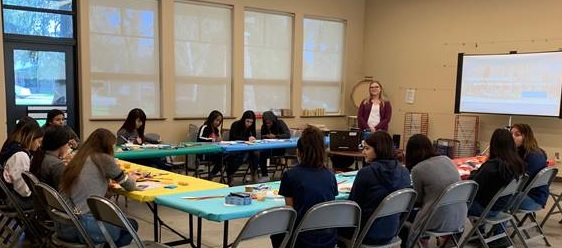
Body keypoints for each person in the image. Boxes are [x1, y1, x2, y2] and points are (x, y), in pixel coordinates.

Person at [58, 128, 138, 246]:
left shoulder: (78, 158)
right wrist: (132, 178)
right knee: (132, 225)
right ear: (107, 146)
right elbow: (130, 186)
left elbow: (87, 188)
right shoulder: (104, 159)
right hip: (85, 226)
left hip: (64, 226)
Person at [270, 125, 337, 248]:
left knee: (276, 232)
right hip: (329, 238)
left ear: (298, 151)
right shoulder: (330, 176)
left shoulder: (290, 176)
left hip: (301, 240)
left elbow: (290, 214)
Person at [340, 131, 411, 247]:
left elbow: (353, 205)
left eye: (367, 149)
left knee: (331, 227)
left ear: (378, 149)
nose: (363, 152)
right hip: (392, 230)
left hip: (366, 233)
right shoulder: (404, 172)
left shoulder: (366, 173)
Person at [402, 134, 465, 248]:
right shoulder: (447, 159)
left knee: (405, 213)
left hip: (437, 219)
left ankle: (420, 242)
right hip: (459, 217)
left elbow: (418, 201)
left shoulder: (418, 169)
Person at [469, 128, 526, 217]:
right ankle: (481, 229)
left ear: (493, 144)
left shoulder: (492, 166)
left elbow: (473, 186)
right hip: (502, 206)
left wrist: (473, 173)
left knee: (454, 204)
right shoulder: (517, 163)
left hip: (485, 208)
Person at [0, 118, 43, 209]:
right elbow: (24, 191)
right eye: (39, 142)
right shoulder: (21, 156)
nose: (39, 146)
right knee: (47, 204)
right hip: (16, 200)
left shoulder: (10, 147)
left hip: (8, 197)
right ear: (31, 137)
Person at [511, 123, 548, 211]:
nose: (512, 137)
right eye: (511, 134)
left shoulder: (532, 156)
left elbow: (518, 182)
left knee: (496, 198)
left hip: (533, 199)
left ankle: (489, 223)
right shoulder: (531, 151)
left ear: (526, 137)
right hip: (534, 195)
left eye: (517, 135)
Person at [227, 110, 259, 186]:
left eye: (251, 122)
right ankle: (230, 174)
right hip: (234, 149)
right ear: (243, 119)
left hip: (247, 148)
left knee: (256, 153)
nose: (249, 124)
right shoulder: (235, 124)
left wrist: (252, 139)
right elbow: (233, 137)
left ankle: (254, 174)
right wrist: (247, 139)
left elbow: (253, 137)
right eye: (247, 121)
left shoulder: (251, 127)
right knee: (243, 156)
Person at [258, 111, 291, 182]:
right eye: (266, 123)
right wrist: (265, 136)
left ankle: (265, 175)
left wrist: (275, 136)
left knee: (263, 154)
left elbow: (287, 135)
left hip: (280, 148)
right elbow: (262, 138)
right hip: (268, 147)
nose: (268, 125)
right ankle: (265, 175)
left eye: (269, 123)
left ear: (273, 120)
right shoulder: (264, 126)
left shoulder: (280, 123)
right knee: (260, 153)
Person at [197, 110, 224, 179]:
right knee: (222, 158)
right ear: (212, 119)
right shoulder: (204, 127)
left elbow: (217, 141)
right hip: (204, 153)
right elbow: (200, 139)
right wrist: (213, 140)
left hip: (214, 151)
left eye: (220, 121)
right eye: (216, 120)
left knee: (227, 156)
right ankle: (212, 175)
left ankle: (212, 174)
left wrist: (220, 141)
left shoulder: (216, 130)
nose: (218, 123)